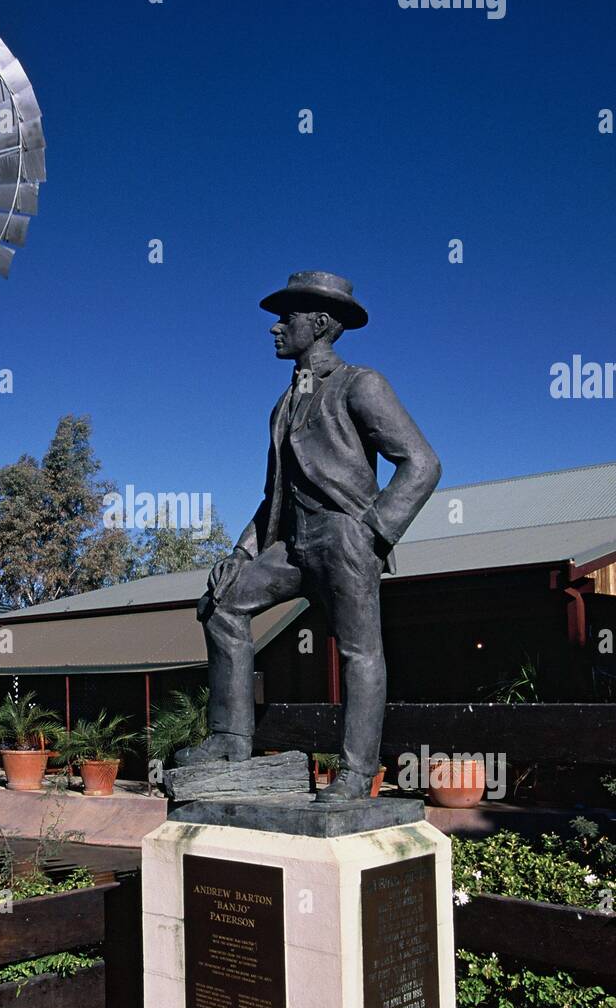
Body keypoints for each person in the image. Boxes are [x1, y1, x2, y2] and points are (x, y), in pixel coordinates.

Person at [176, 271, 442, 801]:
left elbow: (422, 463)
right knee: (222, 603)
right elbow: (273, 494)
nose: (275, 328)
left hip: (345, 536)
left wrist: (373, 531)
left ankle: (355, 772)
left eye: (287, 318)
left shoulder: (360, 384)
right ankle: (231, 738)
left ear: (319, 324)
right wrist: (242, 550)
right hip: (292, 544)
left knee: (360, 652)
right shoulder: (283, 405)